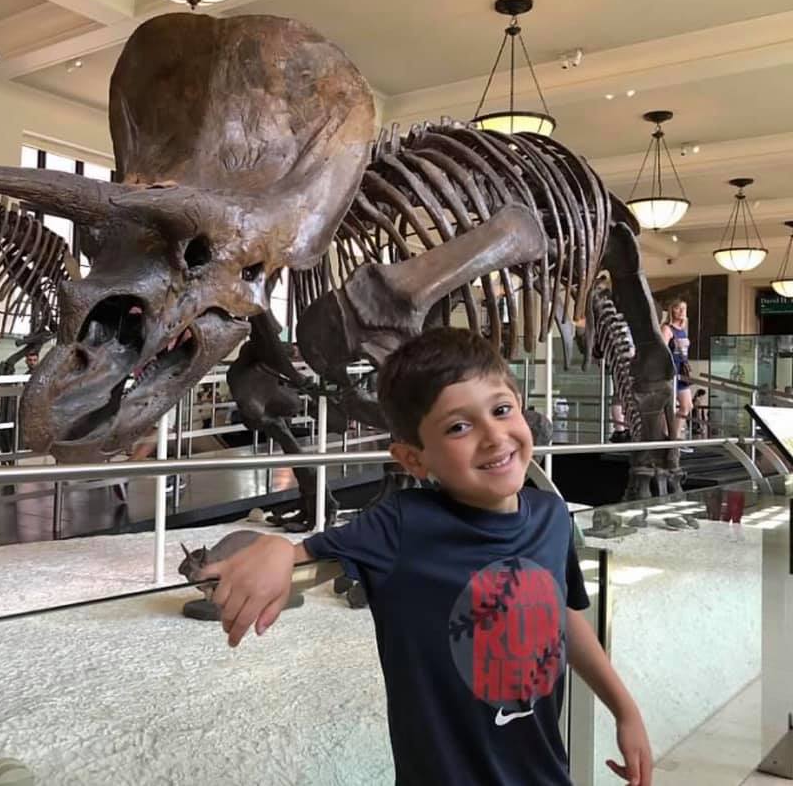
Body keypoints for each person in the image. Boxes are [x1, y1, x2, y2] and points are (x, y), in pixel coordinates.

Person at [202, 327, 652, 786]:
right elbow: (299, 552)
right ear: (414, 460)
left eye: (501, 410)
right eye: (459, 426)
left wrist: (624, 708)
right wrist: (275, 547)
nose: (495, 436)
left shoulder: (551, 514)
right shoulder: (402, 525)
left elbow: (564, 617)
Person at [661, 298, 692, 443]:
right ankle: (667, 434)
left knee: (687, 406)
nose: (681, 312)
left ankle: (676, 434)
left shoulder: (683, 330)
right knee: (669, 405)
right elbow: (662, 349)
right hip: (671, 372)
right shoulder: (667, 328)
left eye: (684, 309)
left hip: (682, 372)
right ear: (672, 310)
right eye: (678, 308)